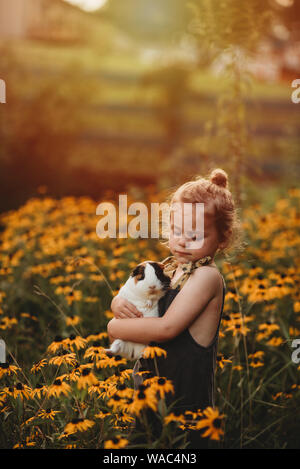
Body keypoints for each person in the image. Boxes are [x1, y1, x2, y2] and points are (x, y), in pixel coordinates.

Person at [107, 168, 243, 448]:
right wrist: (118, 303)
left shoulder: (206, 277)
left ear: (223, 237)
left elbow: (167, 328)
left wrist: (114, 326)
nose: (181, 240)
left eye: (194, 235)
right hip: (151, 394)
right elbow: (128, 294)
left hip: (184, 405)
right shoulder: (170, 268)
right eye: (176, 231)